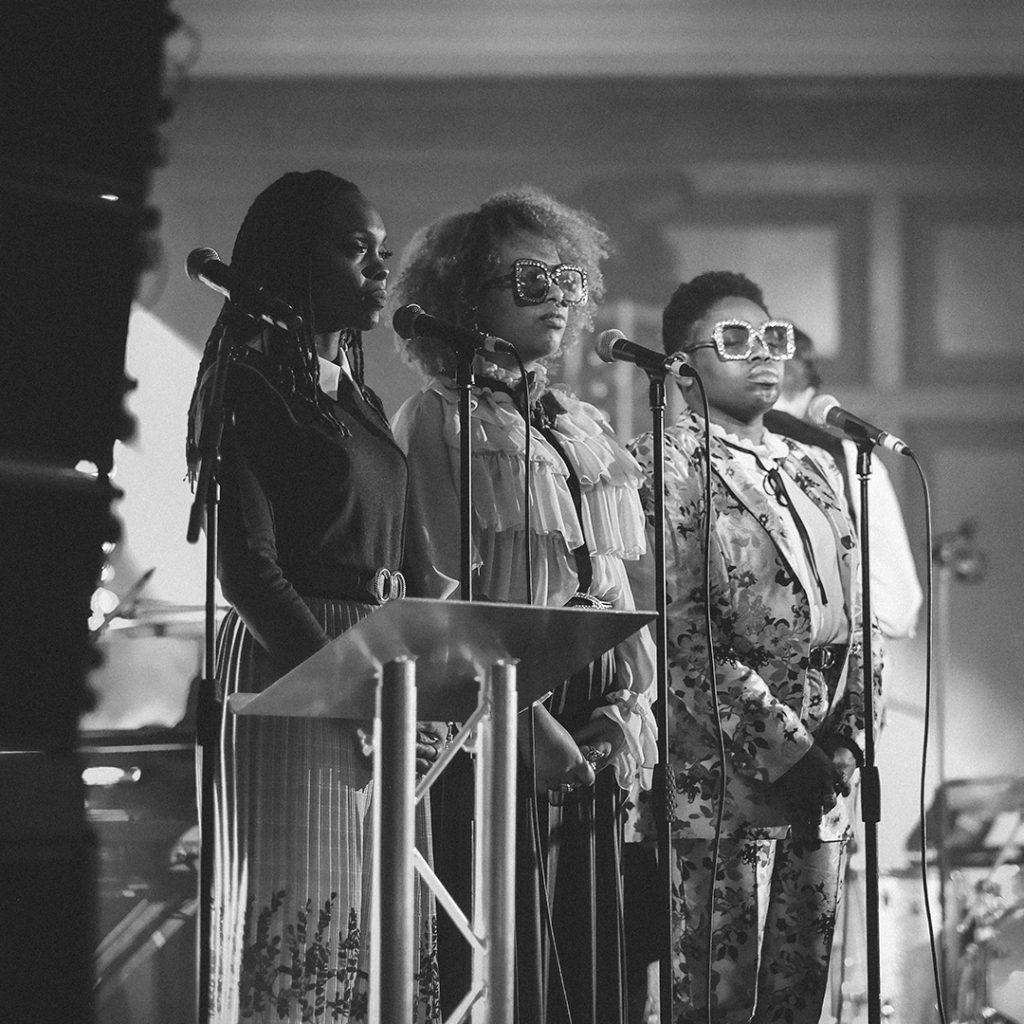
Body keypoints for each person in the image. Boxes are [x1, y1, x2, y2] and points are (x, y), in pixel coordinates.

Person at [390, 186, 657, 1024]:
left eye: (569, 279)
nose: (561, 300)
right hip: (496, 723)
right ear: (467, 295)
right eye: (531, 279)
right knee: (514, 971)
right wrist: (524, 726)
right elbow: (438, 590)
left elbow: (613, 584)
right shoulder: (436, 421)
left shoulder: (579, 423)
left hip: (593, 728)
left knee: (596, 973)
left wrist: (624, 713)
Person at [185, 170, 444, 1023]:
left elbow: (420, 567)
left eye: (383, 253)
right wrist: (349, 689)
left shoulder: (358, 393)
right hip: (295, 663)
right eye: (354, 248)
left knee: (385, 942)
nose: (379, 271)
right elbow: (250, 570)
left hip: (379, 667)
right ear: (295, 259)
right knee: (311, 929)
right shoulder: (250, 382)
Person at [627, 271, 883, 1024]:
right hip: (724, 778)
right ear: (681, 364)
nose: (763, 354)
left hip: (825, 780)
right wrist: (787, 750)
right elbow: (679, 633)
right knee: (716, 999)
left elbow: (857, 617)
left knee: (799, 1000)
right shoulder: (662, 465)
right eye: (734, 340)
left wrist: (847, 740)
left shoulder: (817, 463)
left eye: (772, 337)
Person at [764, 328, 922, 640]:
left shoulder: (691, 448)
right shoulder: (846, 458)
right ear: (810, 395)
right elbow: (896, 611)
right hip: (823, 674)